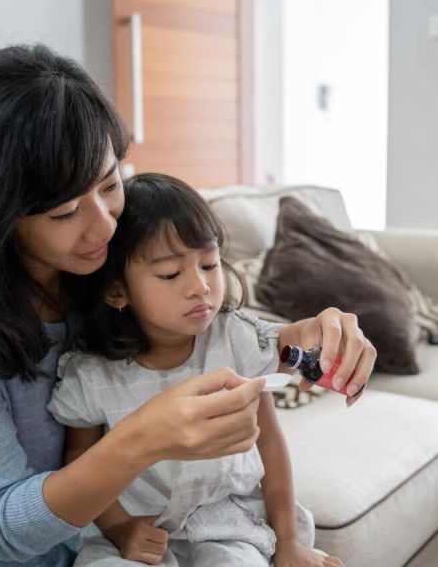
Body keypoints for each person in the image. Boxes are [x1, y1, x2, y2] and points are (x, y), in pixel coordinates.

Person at [0, 44, 376, 567]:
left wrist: (311, 334)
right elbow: (4, 531)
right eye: (66, 211)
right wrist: (144, 437)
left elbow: (228, 333)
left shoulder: (106, 258)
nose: (104, 226)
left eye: (110, 183)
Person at [47, 173, 345, 567]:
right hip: (133, 530)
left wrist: (289, 542)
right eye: (171, 274)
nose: (200, 286)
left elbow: (269, 445)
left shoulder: (235, 341)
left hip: (228, 524)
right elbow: (80, 458)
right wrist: (120, 529)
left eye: (209, 264)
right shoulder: (91, 374)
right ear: (117, 291)